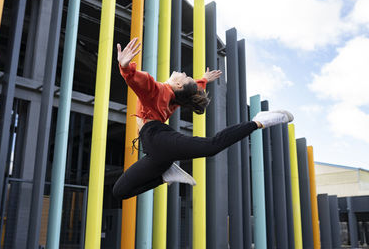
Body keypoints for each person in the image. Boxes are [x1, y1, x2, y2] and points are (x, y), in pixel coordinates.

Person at [112, 38, 293, 200]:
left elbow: (141, 82)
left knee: (212, 145)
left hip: (157, 140)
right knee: (120, 192)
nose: (181, 72)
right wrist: (203, 80)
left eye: (184, 76)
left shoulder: (159, 91)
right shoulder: (175, 99)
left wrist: (125, 67)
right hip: (156, 154)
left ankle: (259, 121)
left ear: (178, 84)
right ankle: (165, 176)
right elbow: (188, 91)